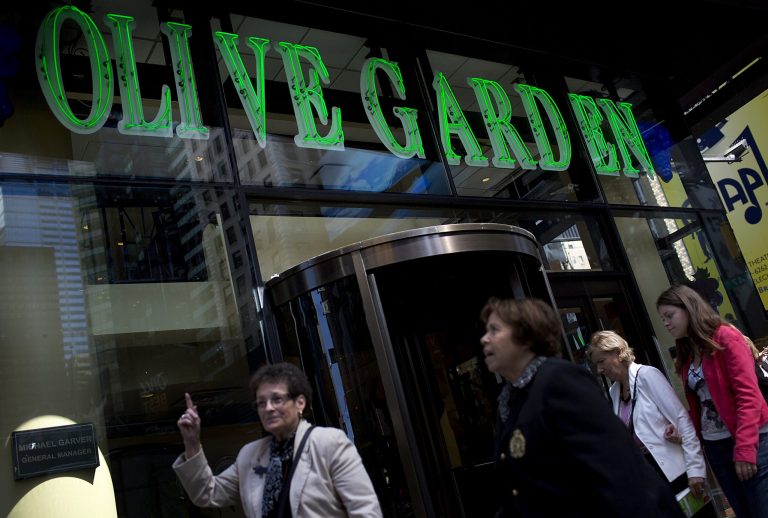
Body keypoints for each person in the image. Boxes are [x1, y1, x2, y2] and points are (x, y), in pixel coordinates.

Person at [480, 297, 683, 517]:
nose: (485, 339)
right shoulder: (509, 399)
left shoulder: (559, 380)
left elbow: (616, 469)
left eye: (494, 330)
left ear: (525, 335)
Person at [173, 362, 382, 518]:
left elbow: (365, 510)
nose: (268, 408)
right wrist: (192, 442)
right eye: (261, 403)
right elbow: (208, 494)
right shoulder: (250, 455)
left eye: (277, 399)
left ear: (300, 403)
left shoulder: (328, 443)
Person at [657, 285, 768, 518]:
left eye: (670, 315)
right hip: (716, 447)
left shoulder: (725, 336)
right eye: (662, 318)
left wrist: (746, 448)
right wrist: (685, 431)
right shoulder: (688, 351)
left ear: (688, 308)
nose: (666, 323)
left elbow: (749, 395)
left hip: (749, 439)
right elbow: (703, 403)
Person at [588, 330, 713, 514]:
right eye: (596, 365)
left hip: (676, 472)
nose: (599, 370)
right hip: (649, 478)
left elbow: (682, 420)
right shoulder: (614, 392)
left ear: (616, 353)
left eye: (601, 362)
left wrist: (695, 469)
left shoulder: (647, 375)